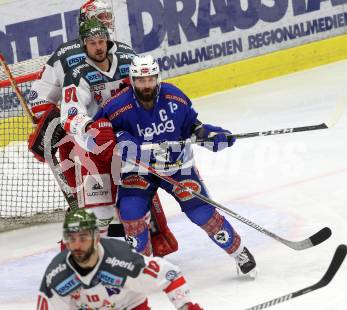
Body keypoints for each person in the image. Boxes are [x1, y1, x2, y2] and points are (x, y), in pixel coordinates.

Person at [27, 0, 177, 256]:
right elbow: (38, 99)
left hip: (124, 140)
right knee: (96, 207)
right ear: (84, 23)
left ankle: (143, 241)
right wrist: (63, 123)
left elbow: (143, 94)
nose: (107, 21)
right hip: (87, 144)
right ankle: (81, 252)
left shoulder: (125, 55)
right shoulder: (65, 56)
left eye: (109, 17)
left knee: (136, 195)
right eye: (100, 16)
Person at [93, 55, 257, 276]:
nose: (146, 85)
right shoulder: (116, 107)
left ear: (157, 77)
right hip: (139, 171)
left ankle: (239, 252)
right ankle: (145, 269)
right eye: (141, 81)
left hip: (178, 166)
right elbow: (95, 133)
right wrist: (118, 140)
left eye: (150, 79)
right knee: (130, 214)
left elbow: (193, 127)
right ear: (132, 80)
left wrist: (210, 135)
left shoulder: (174, 97)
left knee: (202, 213)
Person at [37, 208, 203, 310]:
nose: (77, 245)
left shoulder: (122, 260)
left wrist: (186, 306)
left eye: (83, 237)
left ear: (96, 238)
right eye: (71, 239)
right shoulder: (56, 275)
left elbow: (170, 275)